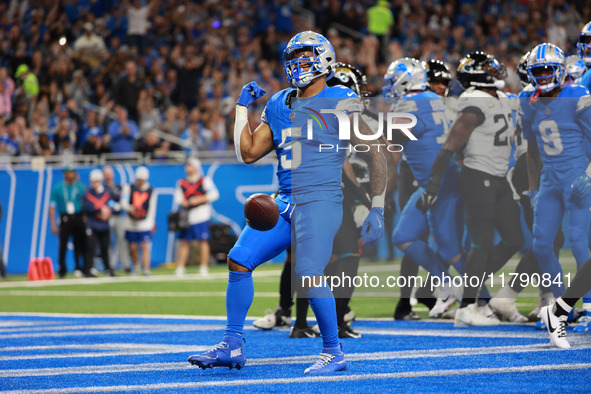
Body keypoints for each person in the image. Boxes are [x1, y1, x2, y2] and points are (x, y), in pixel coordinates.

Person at [188, 31, 386, 374]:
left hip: (321, 199)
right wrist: (240, 109)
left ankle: (333, 351)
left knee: (308, 272)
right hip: (284, 199)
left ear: (324, 60)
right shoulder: (279, 102)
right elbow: (248, 152)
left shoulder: (341, 98)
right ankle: (232, 345)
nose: (298, 64)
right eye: (293, 58)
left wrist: (378, 205)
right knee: (238, 259)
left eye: (306, 57)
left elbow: (376, 153)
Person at [419, 51, 524, 327]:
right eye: (489, 66)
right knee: (482, 244)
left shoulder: (501, 98)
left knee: (514, 239)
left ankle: (466, 288)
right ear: (477, 74)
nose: (496, 69)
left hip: (499, 178)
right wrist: (433, 184)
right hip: (478, 178)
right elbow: (450, 146)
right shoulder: (474, 102)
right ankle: (466, 307)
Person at [384, 58, 465, 319]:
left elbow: (392, 156)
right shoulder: (436, 98)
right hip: (443, 178)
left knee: (449, 247)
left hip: (438, 183)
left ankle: (481, 299)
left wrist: (378, 195)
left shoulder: (405, 105)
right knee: (403, 235)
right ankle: (447, 285)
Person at [521, 43, 591, 333]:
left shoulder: (578, 95)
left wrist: (588, 173)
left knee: (578, 241)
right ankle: (561, 306)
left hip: (579, 176)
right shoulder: (527, 100)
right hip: (550, 179)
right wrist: (533, 188)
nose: (543, 76)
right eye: (537, 71)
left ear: (560, 70)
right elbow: (532, 149)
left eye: (548, 69)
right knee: (540, 244)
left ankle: (589, 308)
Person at [174, 158, 219, 277]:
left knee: (203, 241)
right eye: (187, 166)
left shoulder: (204, 180)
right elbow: (178, 198)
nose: (188, 168)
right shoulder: (182, 182)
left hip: (201, 214)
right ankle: (181, 267)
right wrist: (184, 202)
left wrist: (199, 199)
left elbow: (214, 194)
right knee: (184, 241)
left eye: (190, 166)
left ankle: (203, 266)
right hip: (187, 215)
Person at [49, 166, 87, 278]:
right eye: (69, 172)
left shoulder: (80, 187)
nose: (71, 174)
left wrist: (85, 217)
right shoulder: (58, 188)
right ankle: (62, 268)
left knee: (79, 243)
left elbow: (86, 202)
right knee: (63, 244)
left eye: (72, 172)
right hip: (65, 218)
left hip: (78, 217)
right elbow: (52, 206)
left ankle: (79, 267)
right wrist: (52, 223)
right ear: (65, 174)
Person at [121, 166, 156, 275]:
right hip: (131, 221)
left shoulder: (151, 190)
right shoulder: (129, 187)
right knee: (133, 246)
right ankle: (136, 266)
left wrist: (151, 223)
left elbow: (152, 208)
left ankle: (146, 269)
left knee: (145, 245)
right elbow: (124, 202)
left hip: (144, 222)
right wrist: (132, 209)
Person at [82, 169, 114, 277]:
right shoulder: (88, 194)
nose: (95, 183)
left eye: (97, 181)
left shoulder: (106, 192)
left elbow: (112, 205)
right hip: (93, 224)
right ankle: (88, 269)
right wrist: (99, 211)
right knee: (90, 249)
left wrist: (108, 212)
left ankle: (108, 269)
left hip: (104, 225)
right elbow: (86, 207)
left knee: (106, 248)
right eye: (93, 181)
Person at [103, 166, 130, 273]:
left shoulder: (118, 187)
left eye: (110, 173)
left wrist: (120, 204)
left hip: (118, 216)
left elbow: (124, 198)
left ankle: (125, 265)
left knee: (122, 241)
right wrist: (112, 205)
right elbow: (103, 199)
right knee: (108, 242)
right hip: (107, 217)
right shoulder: (103, 187)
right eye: (107, 174)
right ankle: (110, 266)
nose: (109, 176)